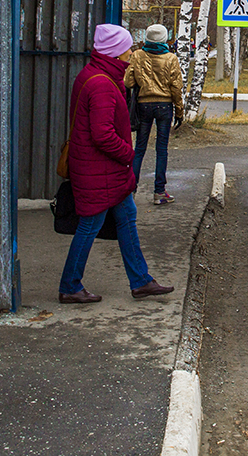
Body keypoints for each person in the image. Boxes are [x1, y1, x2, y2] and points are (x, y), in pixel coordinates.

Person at [58, 23, 174, 304]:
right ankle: (70, 285)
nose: (131, 53)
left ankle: (141, 281)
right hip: (100, 170)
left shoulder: (94, 75)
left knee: (127, 219)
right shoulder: (101, 84)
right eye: (126, 49)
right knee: (89, 225)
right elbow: (102, 134)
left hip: (102, 170)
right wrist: (128, 154)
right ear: (115, 53)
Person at [125, 23, 185, 205]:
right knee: (161, 150)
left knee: (140, 149)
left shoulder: (137, 56)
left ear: (147, 38)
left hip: (143, 105)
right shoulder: (171, 58)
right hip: (165, 107)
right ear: (164, 39)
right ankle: (159, 192)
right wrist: (180, 111)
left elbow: (128, 81)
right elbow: (176, 88)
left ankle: (131, 192)